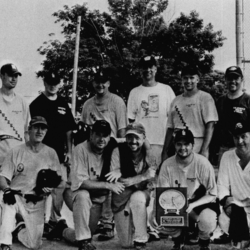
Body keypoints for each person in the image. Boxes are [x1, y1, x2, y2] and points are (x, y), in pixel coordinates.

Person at [46, 120, 124, 250]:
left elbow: (139, 141)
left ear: (110, 136)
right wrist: (107, 185)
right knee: (83, 195)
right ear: (91, 134)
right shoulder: (80, 149)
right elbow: (81, 183)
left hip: (97, 197)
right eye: (98, 134)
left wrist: (119, 170)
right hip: (74, 192)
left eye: (105, 135)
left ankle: (62, 230)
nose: (101, 139)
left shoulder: (112, 146)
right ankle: (83, 242)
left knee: (89, 233)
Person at [0, 116, 63, 250]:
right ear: (29, 130)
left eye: (43, 128)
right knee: (7, 201)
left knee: (34, 244)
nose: (40, 131)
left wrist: (50, 187)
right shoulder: (16, 151)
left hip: (36, 200)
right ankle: (5, 243)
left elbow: (59, 180)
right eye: (36, 127)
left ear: (46, 131)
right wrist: (6, 190)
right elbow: (2, 177)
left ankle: (19, 228)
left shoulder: (51, 153)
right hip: (16, 196)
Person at [81, 66, 127, 240]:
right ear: (93, 83)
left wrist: (120, 152)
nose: (100, 85)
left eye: (103, 82)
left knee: (109, 182)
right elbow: (86, 130)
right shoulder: (88, 104)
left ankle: (108, 223)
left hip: (112, 146)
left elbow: (122, 129)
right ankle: (95, 220)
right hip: (93, 148)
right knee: (95, 182)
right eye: (97, 81)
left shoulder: (117, 101)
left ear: (108, 83)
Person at [152, 129, 218, 250]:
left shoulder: (203, 163)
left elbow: (212, 194)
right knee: (157, 218)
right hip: (176, 203)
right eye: (179, 144)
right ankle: (178, 238)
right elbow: (163, 195)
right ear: (174, 145)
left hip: (198, 204)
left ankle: (203, 241)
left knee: (208, 220)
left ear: (193, 145)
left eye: (186, 144)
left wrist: (193, 205)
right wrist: (158, 212)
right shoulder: (167, 165)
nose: (183, 148)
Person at [30, 71, 76, 230]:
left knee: (59, 187)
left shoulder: (63, 103)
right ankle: (38, 222)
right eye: (49, 82)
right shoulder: (36, 104)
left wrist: (69, 151)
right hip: (40, 153)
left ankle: (54, 219)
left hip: (59, 154)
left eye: (55, 83)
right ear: (44, 82)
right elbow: (30, 129)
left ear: (60, 83)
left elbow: (69, 130)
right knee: (40, 187)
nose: (52, 86)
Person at [112, 122, 156, 250]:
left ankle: (141, 239)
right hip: (122, 197)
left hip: (140, 194)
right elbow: (119, 180)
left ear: (144, 138)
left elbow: (152, 180)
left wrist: (138, 179)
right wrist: (142, 177)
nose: (133, 141)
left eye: (137, 137)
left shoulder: (149, 152)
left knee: (137, 198)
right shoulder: (118, 151)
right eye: (130, 137)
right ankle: (138, 227)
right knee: (126, 243)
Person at [162, 65, 218, 161]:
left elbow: (210, 125)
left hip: (198, 143)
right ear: (182, 80)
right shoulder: (175, 100)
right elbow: (170, 128)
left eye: (192, 78)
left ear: (197, 79)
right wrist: (164, 151)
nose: (188, 81)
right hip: (179, 145)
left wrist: (204, 149)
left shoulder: (205, 98)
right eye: (185, 78)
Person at [127, 55, 175, 167]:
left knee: (161, 180)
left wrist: (167, 148)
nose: (147, 70)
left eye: (150, 67)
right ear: (140, 70)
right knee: (142, 180)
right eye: (144, 67)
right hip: (140, 145)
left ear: (156, 69)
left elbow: (173, 120)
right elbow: (131, 121)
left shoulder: (166, 90)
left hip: (162, 145)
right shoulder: (134, 92)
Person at [217, 120, 250, 249]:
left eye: (244, 136)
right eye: (236, 137)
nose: (240, 141)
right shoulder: (227, 156)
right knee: (226, 218)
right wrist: (226, 201)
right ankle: (238, 243)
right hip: (235, 209)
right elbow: (222, 186)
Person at [215, 66, 250, 164]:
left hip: (244, 148)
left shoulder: (247, 100)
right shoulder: (220, 101)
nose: (233, 81)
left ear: (242, 79)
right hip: (224, 149)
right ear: (225, 80)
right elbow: (216, 128)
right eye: (230, 78)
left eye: (236, 78)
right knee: (224, 178)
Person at [0, 63, 29, 166]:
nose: (14, 79)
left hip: (18, 156)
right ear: (2, 76)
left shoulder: (22, 101)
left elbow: (27, 131)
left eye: (16, 76)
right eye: (11, 75)